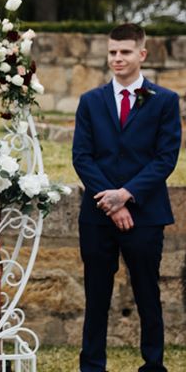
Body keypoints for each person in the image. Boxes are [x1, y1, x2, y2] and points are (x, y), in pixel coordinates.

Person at [72, 23, 181, 372]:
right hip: (97, 216)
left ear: (142, 54)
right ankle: (92, 365)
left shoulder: (164, 101)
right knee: (97, 297)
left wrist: (126, 195)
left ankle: (153, 365)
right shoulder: (90, 101)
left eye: (125, 52)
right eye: (113, 52)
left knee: (148, 294)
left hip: (145, 215)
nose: (117, 58)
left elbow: (165, 158)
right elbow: (82, 157)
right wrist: (110, 201)